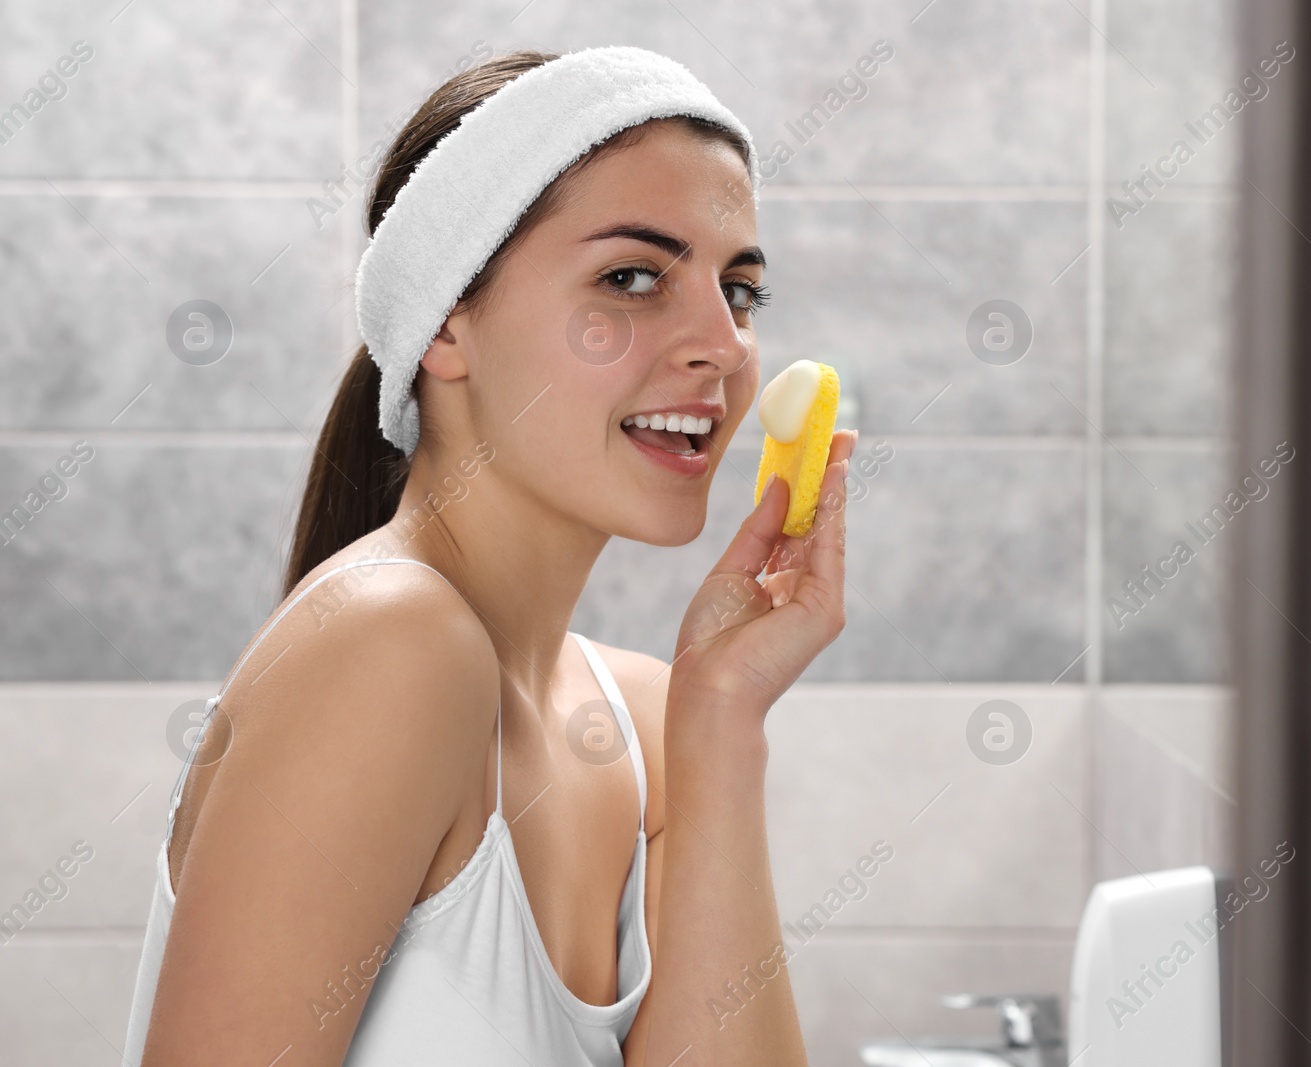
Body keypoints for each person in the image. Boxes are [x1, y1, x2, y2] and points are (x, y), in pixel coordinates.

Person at [122, 45, 856, 1067]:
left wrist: (724, 725)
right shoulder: (389, 642)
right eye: (633, 277)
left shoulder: (651, 718)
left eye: (739, 291)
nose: (724, 347)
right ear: (446, 324)